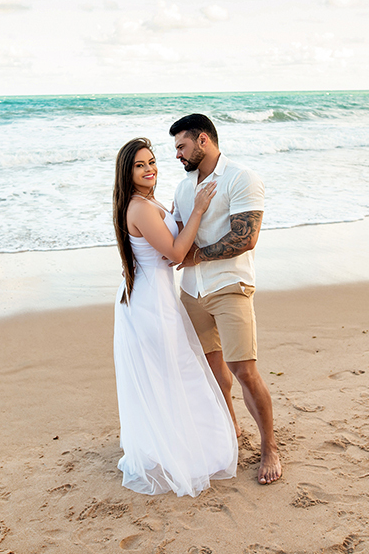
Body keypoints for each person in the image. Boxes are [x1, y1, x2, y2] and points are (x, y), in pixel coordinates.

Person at [112, 137, 238, 497]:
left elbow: (166, 251)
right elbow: (177, 253)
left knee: (171, 372)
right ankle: (185, 451)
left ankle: (181, 442)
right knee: (175, 371)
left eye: (152, 161)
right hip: (152, 303)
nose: (150, 168)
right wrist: (198, 209)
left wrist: (179, 215)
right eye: (140, 165)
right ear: (128, 172)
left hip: (155, 296)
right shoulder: (139, 208)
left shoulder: (146, 203)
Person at [169, 114, 282, 485]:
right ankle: (230, 430)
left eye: (182, 147)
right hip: (191, 292)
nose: (178, 156)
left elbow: (245, 238)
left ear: (203, 140)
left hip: (231, 286)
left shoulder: (241, 178)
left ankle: (270, 447)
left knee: (244, 372)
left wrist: (198, 255)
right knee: (214, 373)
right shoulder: (184, 187)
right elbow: (175, 236)